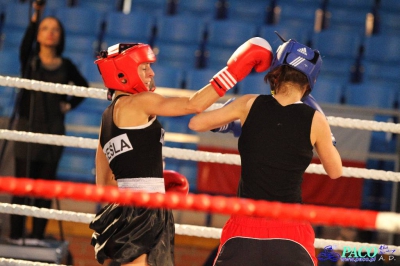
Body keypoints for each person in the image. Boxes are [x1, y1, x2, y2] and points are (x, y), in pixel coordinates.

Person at [88, 37, 274, 266]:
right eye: (144, 67)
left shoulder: (106, 119)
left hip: (124, 212)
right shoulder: (139, 102)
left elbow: (104, 185)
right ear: (123, 73)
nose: (151, 73)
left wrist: (151, 181)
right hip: (144, 212)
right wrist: (235, 70)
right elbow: (193, 105)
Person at [189, 36, 343, 266]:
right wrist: (326, 137)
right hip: (291, 230)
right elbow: (335, 172)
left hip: (243, 227)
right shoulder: (316, 120)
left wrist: (233, 113)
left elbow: (196, 123)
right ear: (309, 83)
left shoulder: (248, 104)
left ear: (274, 73)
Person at [9, 1, 88, 243]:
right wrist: (37, 15)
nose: (50, 32)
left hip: (53, 130)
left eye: (55, 29)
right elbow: (25, 45)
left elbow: (83, 88)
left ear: (61, 36)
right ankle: (15, 236)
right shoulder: (30, 59)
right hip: (27, 127)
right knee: (22, 187)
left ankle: (37, 237)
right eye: (45, 28)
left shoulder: (66, 66)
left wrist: (68, 105)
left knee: (45, 188)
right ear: (38, 34)